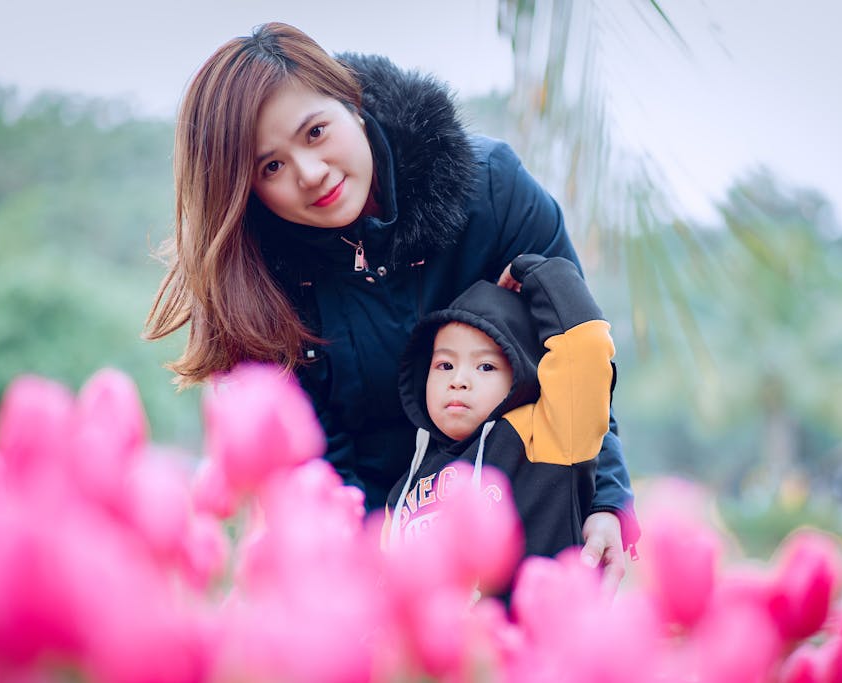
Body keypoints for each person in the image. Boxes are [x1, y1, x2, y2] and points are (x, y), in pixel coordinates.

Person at [143, 22, 638, 584]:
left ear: (350, 102)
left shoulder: (492, 191)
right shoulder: (255, 288)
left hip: (526, 532)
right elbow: (313, 471)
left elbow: (577, 355)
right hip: (366, 555)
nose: (311, 173)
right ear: (245, 190)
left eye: (315, 132)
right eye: (271, 167)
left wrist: (606, 500)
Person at [386, 254, 615, 568]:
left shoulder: (548, 437)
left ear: (520, 377)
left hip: (533, 614)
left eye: (485, 366)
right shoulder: (405, 486)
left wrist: (534, 271)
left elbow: (585, 350)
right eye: (445, 364)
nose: (459, 380)